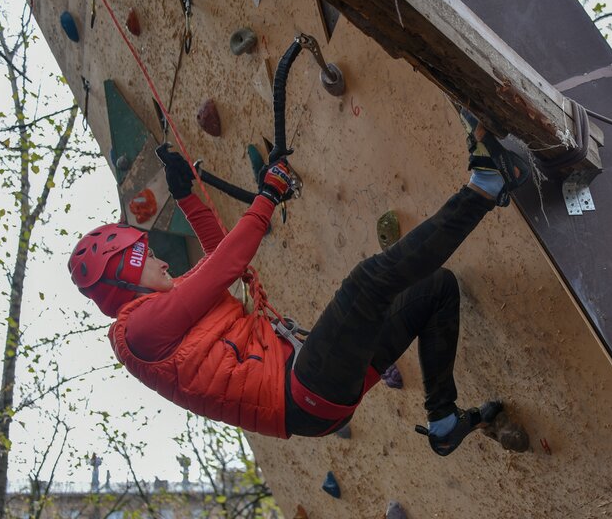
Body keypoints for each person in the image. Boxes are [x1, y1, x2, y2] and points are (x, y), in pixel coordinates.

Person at [68, 109, 528, 456]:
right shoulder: (138, 331)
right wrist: (268, 194)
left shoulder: (166, 315)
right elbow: (225, 266)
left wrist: (186, 195)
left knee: (436, 290)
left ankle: (443, 418)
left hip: (314, 389)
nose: (164, 265)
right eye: (148, 261)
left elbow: (217, 255)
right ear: (125, 281)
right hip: (301, 390)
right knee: (368, 283)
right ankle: (486, 186)